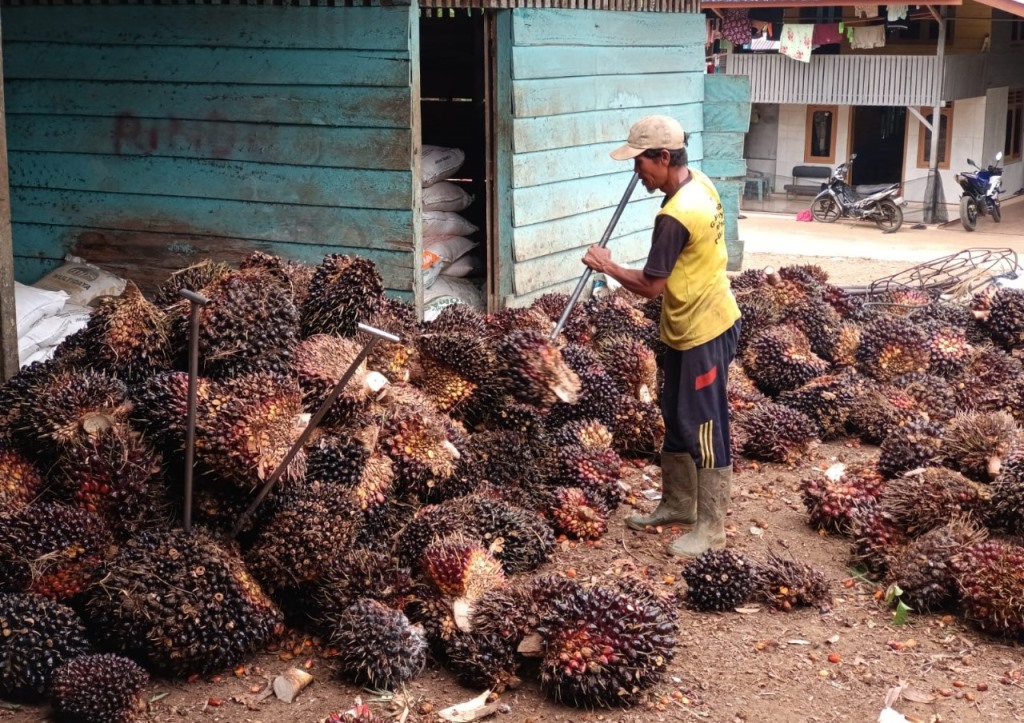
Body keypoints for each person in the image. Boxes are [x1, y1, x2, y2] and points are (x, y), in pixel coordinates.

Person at [582, 115, 742, 558]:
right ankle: (678, 503)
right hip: (685, 323)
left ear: (665, 157)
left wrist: (607, 266)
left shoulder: (676, 215)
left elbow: (651, 286)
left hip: (704, 330)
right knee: (674, 411)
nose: (637, 172)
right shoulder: (699, 183)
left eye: (641, 163)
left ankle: (711, 528)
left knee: (705, 425)